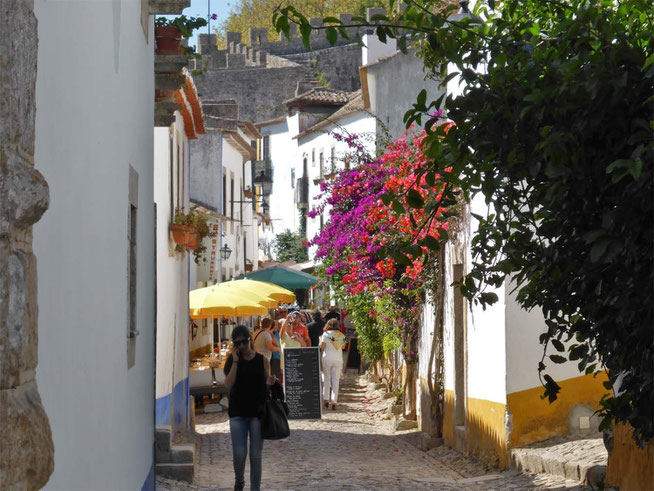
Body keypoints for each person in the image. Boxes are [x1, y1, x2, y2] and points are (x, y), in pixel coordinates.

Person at [224, 325, 275, 491]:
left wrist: (268, 384)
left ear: (250, 341)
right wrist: (236, 361)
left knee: (255, 456)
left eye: (244, 342)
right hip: (237, 413)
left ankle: (255, 488)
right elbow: (228, 385)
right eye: (237, 343)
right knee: (239, 454)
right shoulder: (232, 361)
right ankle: (239, 481)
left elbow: (266, 386)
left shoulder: (262, 360)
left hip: (257, 413)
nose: (241, 346)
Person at [320, 319, 346, 410]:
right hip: (338, 358)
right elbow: (343, 347)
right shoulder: (341, 335)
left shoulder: (325, 334)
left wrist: (320, 341)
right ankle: (334, 401)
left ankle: (326, 399)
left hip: (327, 358)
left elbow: (322, 347)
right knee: (336, 380)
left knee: (326, 378)